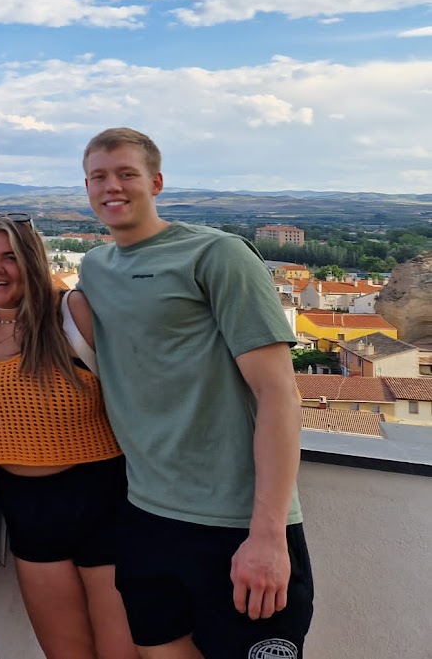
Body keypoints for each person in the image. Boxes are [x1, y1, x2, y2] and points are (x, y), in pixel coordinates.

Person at [78, 128, 313, 659]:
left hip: (236, 525)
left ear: (156, 182)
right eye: (98, 177)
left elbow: (279, 393)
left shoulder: (217, 255)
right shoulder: (95, 268)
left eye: (126, 174)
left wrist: (269, 536)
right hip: (145, 517)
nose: (111, 187)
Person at [0, 214, 134, 659]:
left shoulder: (71, 314)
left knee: (122, 654)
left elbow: (139, 395)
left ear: (32, 261)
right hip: (26, 512)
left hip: (103, 502)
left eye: (10, 257)